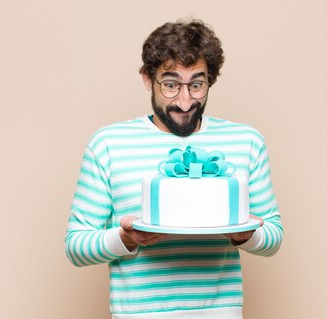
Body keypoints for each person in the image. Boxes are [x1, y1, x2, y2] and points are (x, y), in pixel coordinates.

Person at [65, 19, 283, 319]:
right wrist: (126, 238)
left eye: (197, 84)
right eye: (170, 84)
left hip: (220, 313)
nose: (184, 101)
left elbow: (273, 236)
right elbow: (76, 245)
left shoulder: (246, 141)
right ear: (147, 78)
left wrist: (246, 234)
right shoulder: (108, 144)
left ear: (210, 80)